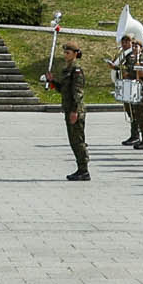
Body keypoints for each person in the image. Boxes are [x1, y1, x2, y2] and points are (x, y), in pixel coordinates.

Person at [49, 41, 89, 180]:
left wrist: (75, 111)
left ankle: (84, 170)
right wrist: (53, 82)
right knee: (73, 141)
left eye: (68, 53)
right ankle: (81, 168)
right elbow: (64, 90)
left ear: (75, 54)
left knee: (78, 141)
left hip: (75, 110)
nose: (65, 55)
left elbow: (78, 92)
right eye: (65, 52)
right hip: (69, 109)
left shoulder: (76, 70)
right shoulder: (68, 69)